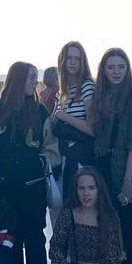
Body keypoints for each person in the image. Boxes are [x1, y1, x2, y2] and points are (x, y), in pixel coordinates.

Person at [0, 61, 57, 264]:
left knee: (35, 239)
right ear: (18, 79)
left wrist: (40, 163)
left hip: (32, 187)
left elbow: (50, 146)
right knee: (12, 238)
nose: (35, 81)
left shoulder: (40, 110)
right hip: (6, 187)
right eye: (31, 77)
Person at [91, 47, 132, 264]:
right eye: (111, 67)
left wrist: (127, 180)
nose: (116, 72)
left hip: (124, 172)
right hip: (103, 169)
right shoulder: (101, 98)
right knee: (109, 234)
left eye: (121, 67)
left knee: (124, 233)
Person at [50, 41, 95, 200]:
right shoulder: (61, 92)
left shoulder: (87, 87)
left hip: (81, 157)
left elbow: (92, 128)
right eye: (69, 58)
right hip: (63, 156)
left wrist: (65, 117)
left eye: (77, 59)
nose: (73, 62)